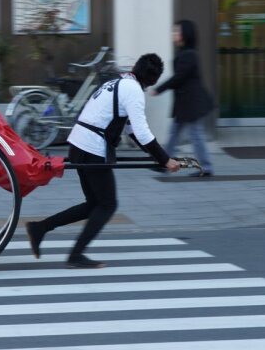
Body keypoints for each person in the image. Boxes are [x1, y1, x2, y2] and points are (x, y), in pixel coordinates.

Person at [25, 53, 180, 269]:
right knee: (107, 204)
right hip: (92, 147)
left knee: (94, 204)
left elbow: (131, 130)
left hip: (79, 144)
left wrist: (159, 158)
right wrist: (165, 159)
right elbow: (142, 133)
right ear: (153, 79)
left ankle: (40, 228)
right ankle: (76, 255)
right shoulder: (134, 91)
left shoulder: (118, 82)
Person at [150, 20, 214, 177]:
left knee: (195, 135)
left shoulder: (189, 55)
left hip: (191, 103)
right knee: (175, 133)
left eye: (177, 32)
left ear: (186, 34)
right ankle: (164, 162)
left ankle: (206, 168)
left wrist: (159, 89)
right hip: (185, 103)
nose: (174, 34)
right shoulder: (185, 52)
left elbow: (178, 78)